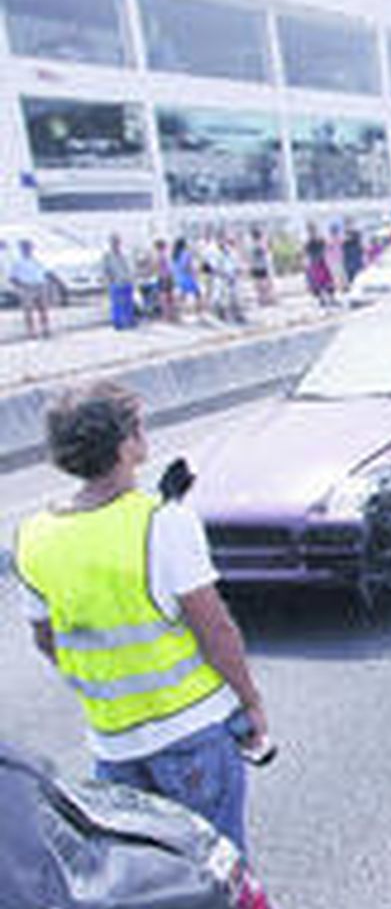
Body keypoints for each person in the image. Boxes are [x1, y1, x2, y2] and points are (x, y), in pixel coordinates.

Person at [13, 383, 269, 854]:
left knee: (152, 878)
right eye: (137, 426)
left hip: (112, 745)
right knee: (217, 872)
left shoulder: (32, 535)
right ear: (125, 444)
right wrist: (250, 701)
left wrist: (102, 680)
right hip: (192, 735)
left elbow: (45, 637)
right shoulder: (162, 522)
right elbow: (214, 630)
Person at [9, 238, 52, 339]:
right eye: (25, 248)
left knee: (43, 309)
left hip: (40, 285)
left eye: (29, 247)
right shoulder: (17, 262)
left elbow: (47, 272)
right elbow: (13, 277)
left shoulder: (38, 259)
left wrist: (48, 283)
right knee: (28, 311)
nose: (28, 250)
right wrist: (21, 287)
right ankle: (32, 332)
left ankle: (46, 329)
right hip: (27, 287)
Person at [102, 233, 136, 331]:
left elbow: (128, 266)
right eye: (114, 242)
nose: (116, 244)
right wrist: (109, 279)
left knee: (128, 302)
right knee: (117, 304)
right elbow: (105, 269)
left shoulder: (123, 254)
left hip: (126, 281)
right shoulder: (107, 255)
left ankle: (129, 320)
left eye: (117, 242)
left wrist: (131, 277)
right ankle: (118, 323)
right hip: (116, 282)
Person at [303, 222, 336, 308]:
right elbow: (306, 252)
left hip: (320, 261)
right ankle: (323, 299)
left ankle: (329, 298)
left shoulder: (318, 239)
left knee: (325, 281)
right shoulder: (309, 240)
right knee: (319, 282)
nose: (312, 232)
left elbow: (326, 246)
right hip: (316, 262)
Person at [172, 238, 202, 321]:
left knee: (182, 296)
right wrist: (194, 274)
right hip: (186, 277)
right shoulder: (186, 254)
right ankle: (199, 314)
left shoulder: (174, 254)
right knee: (198, 294)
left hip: (177, 277)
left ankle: (178, 314)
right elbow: (188, 266)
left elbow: (174, 267)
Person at [246, 227, 275, 308]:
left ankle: (263, 300)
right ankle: (264, 300)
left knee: (261, 285)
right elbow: (264, 252)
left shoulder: (252, 245)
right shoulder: (258, 245)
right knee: (263, 285)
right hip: (261, 266)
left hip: (257, 266)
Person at [152, 239, 177, 323]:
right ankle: (171, 314)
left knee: (163, 297)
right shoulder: (166, 254)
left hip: (163, 277)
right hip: (169, 276)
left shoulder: (159, 255)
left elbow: (157, 267)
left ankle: (166, 316)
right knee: (170, 297)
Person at [340, 224, 364, 290]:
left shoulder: (350, 243)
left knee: (350, 273)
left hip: (351, 259)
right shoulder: (348, 243)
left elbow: (360, 251)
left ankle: (346, 285)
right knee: (350, 273)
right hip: (351, 259)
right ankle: (347, 285)